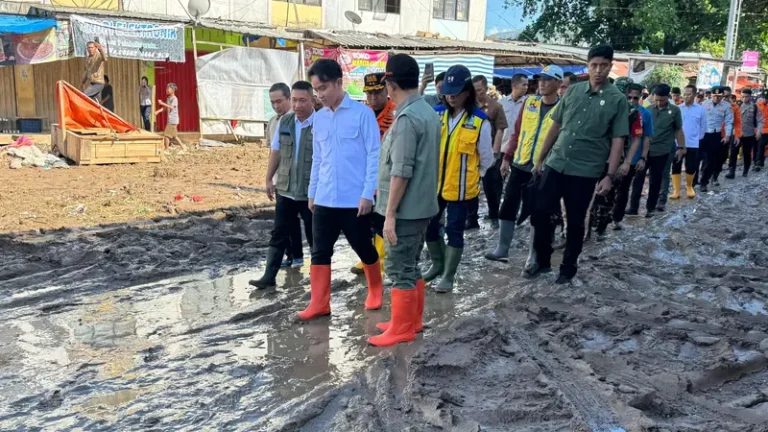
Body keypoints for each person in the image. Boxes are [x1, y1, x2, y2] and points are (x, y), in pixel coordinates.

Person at [527, 45, 629, 284]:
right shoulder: (573, 92)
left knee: (575, 221)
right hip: (557, 162)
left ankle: (567, 268)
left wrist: (609, 176)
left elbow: (618, 140)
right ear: (588, 65)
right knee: (540, 212)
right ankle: (543, 259)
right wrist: (540, 159)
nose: (598, 71)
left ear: (610, 66)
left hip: (585, 171)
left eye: (604, 66)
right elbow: (555, 126)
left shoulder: (617, 100)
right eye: (594, 65)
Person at [299, 59, 382, 321]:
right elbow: (318, 159)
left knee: (363, 247)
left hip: (353, 199)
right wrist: (312, 192)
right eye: (316, 90)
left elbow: (374, 156)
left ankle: (376, 289)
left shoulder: (362, 114)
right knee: (320, 251)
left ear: (338, 82)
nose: (320, 95)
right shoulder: (319, 119)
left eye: (323, 88)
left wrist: (368, 193)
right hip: (324, 198)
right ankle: (320, 303)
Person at [368, 54, 440, 347]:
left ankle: (402, 328)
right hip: (422, 206)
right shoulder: (425, 110)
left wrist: (390, 214)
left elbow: (401, 171)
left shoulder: (408, 118)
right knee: (412, 264)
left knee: (399, 267)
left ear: (391, 83)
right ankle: (411, 320)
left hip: (407, 209)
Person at [424, 65, 493, 292]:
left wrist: (473, 177)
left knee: (454, 230)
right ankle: (437, 264)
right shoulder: (436, 114)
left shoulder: (479, 121)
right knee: (430, 227)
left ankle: (448, 275)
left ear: (467, 92)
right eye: (448, 92)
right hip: (435, 186)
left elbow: (486, 159)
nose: (451, 97)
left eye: (456, 92)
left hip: (462, 188)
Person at [485, 65, 562, 263]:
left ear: (558, 83)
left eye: (547, 79)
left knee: (539, 213)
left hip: (544, 169)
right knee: (508, 205)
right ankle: (502, 249)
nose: (542, 83)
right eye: (540, 79)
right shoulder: (530, 103)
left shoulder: (563, 108)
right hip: (520, 163)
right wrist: (507, 158)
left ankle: (533, 256)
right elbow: (517, 132)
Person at [249, 81, 316, 289]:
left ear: (312, 100)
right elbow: (275, 152)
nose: (297, 105)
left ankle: (319, 280)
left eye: (301, 100)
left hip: (310, 191)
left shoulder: (322, 123)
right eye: (294, 100)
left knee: (315, 235)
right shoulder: (284, 122)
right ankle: (269, 277)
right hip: (285, 189)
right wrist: (269, 179)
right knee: (279, 233)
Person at [349, 72, 395, 276]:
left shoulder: (395, 114)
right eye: (369, 94)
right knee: (363, 221)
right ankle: (367, 258)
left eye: (377, 93)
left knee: (381, 220)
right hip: (363, 176)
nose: (373, 98)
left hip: (386, 176)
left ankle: (382, 260)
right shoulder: (362, 114)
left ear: (386, 90)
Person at [588, 79, 643, 239]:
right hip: (594, 157)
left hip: (615, 160)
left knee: (608, 195)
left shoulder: (633, 112)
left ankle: (601, 228)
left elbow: (636, 139)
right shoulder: (599, 105)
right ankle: (587, 227)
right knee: (587, 194)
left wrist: (627, 162)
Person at [627, 84, 684, 218]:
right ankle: (633, 207)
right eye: (656, 99)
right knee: (638, 179)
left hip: (662, 151)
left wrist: (681, 148)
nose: (659, 103)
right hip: (644, 152)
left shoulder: (675, 111)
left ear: (668, 98)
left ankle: (651, 208)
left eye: (662, 100)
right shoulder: (647, 110)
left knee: (655, 179)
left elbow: (678, 130)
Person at [267, 83, 304, 269]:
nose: (276, 106)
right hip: (281, 179)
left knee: (294, 220)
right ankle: (291, 257)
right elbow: (273, 151)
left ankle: (298, 256)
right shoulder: (274, 122)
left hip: (298, 180)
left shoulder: (298, 120)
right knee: (284, 223)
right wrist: (270, 178)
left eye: (279, 101)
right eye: (272, 102)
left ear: (289, 99)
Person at [466, 75, 508, 230]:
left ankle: (494, 214)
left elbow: (500, 130)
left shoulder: (495, 107)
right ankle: (472, 219)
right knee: (471, 186)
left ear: (486, 88)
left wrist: (495, 153)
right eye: (474, 90)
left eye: (480, 90)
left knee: (491, 186)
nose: (477, 93)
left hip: (489, 151)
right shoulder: (468, 106)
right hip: (470, 152)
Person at [612, 83, 652, 231]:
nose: (632, 101)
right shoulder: (614, 110)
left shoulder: (644, 114)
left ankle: (616, 219)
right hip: (611, 158)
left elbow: (645, 138)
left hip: (631, 160)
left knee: (623, 190)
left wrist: (642, 158)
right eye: (629, 97)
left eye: (636, 98)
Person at [673, 84, 707, 199]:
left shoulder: (700, 109)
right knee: (676, 165)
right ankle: (676, 190)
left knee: (691, 166)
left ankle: (689, 186)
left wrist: (696, 139)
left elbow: (703, 127)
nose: (686, 96)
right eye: (685, 94)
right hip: (678, 143)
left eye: (689, 94)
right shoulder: (678, 108)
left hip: (693, 143)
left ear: (694, 95)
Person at [699, 87, 734, 192]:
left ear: (722, 96)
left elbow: (729, 122)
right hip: (703, 134)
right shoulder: (704, 104)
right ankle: (692, 181)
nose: (716, 98)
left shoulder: (727, 106)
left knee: (710, 160)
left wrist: (727, 135)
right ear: (711, 95)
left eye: (719, 96)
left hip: (715, 135)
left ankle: (704, 182)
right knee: (697, 158)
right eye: (714, 96)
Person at [726, 88, 763, 178]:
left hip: (749, 134)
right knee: (733, 152)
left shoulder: (755, 107)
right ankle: (731, 171)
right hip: (736, 134)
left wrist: (759, 131)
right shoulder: (736, 106)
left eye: (746, 97)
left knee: (747, 153)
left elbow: (760, 120)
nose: (744, 99)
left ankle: (746, 170)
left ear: (750, 97)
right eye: (743, 97)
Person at [713, 86, 742, 185]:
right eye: (723, 96)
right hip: (714, 134)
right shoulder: (711, 105)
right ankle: (703, 178)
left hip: (727, 135)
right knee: (711, 156)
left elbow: (738, 122)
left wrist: (737, 135)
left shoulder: (734, 107)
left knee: (723, 156)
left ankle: (715, 176)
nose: (725, 98)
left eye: (727, 96)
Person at [499, 73, 529, 156]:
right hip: (501, 149)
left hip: (519, 151)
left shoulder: (528, 105)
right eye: (524, 85)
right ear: (515, 85)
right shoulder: (501, 103)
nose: (526, 88)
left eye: (527, 85)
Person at [155, 83, 186, 151]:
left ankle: (166, 149)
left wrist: (162, 103)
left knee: (166, 135)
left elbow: (171, 107)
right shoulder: (168, 98)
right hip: (171, 119)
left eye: (168, 88)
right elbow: (165, 108)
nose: (166, 90)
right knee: (174, 136)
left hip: (173, 120)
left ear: (173, 90)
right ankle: (183, 147)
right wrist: (158, 111)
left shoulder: (175, 99)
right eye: (166, 88)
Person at [757, 95, 768, 171]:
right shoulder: (758, 105)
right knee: (760, 146)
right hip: (760, 129)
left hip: (766, 129)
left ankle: (759, 161)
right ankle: (759, 161)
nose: (765, 100)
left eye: (766, 99)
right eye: (764, 98)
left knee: (761, 145)